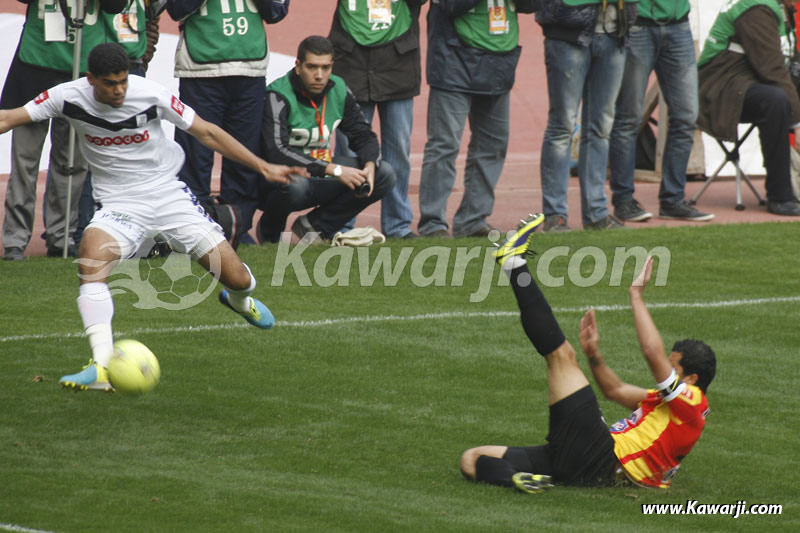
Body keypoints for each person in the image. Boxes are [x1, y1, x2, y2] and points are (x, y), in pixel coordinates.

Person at [0, 43, 307, 391]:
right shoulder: (67, 97)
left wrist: (262, 165)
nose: (118, 90)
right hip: (118, 204)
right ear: (91, 80)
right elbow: (9, 117)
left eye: (122, 82)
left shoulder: (150, 95)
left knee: (237, 278)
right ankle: (100, 366)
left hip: (167, 195)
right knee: (91, 260)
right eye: (109, 84)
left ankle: (240, 301)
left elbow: (206, 132)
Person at [459, 214, 716, 491]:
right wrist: (594, 354)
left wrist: (636, 295)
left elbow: (651, 351)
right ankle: (516, 481)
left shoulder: (693, 403)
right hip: (586, 459)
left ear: (691, 379)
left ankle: (513, 263)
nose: (665, 372)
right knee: (472, 458)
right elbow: (614, 390)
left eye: (673, 368)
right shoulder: (670, 408)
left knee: (561, 356)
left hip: (601, 457)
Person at [1, 0, 126, 261]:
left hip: (81, 67)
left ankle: (61, 236)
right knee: (25, 162)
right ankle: (14, 240)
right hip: (35, 63)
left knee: (71, 162)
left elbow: (116, 5)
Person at [166, 0, 291, 240]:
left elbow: (277, 12)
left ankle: (238, 227)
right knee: (196, 156)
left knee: (244, 155)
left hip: (249, 69)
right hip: (201, 71)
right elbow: (176, 9)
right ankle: (194, 228)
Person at [257, 36, 396, 244]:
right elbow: (277, 151)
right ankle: (269, 234)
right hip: (278, 178)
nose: (319, 75)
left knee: (384, 173)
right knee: (295, 187)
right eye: (312, 67)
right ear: (298, 66)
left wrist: (369, 166)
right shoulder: (277, 95)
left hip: (321, 171)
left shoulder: (338, 89)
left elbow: (363, 134)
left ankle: (316, 226)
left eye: (326, 68)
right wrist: (335, 170)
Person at [416, 0, 537, 238]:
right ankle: (433, 223)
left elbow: (532, 5)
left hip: (499, 64)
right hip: (453, 63)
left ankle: (472, 219)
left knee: (493, 145)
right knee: (445, 145)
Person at [608, 0, 715, 223]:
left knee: (686, 117)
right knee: (628, 118)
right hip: (638, 22)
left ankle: (673, 200)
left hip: (679, 24)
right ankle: (623, 200)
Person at [328, 0, 427, 239]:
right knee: (348, 152)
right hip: (351, 64)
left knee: (399, 151)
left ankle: (398, 226)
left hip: (398, 67)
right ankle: (342, 223)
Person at [536, 0, 638, 232]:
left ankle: (596, 213)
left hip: (615, 33)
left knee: (601, 128)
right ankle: (555, 215)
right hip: (567, 35)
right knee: (562, 126)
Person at [697, 0, 800, 216]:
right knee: (775, 101)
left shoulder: (778, 7)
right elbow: (772, 70)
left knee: (780, 97)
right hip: (720, 88)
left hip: (744, 81)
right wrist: (797, 122)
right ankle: (780, 196)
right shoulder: (755, 8)